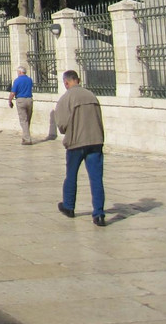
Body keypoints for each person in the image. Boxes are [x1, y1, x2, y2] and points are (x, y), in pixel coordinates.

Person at [54, 70, 106, 226]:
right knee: (96, 179)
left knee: (71, 175)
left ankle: (69, 206)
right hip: (95, 141)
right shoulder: (92, 96)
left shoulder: (66, 98)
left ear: (66, 82)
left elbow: (62, 125)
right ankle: (99, 214)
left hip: (76, 142)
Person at [9, 66, 35, 145]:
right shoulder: (29, 80)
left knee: (23, 120)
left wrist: (10, 100)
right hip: (29, 99)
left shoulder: (17, 81)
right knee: (28, 119)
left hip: (21, 100)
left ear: (20, 72)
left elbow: (13, 92)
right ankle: (25, 137)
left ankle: (27, 139)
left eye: (18, 72)